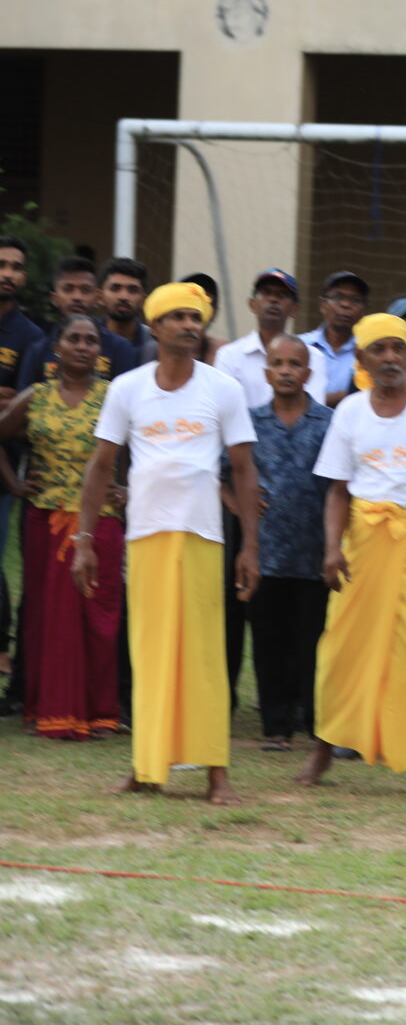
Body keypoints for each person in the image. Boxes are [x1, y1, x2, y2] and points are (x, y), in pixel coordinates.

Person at [73, 282, 260, 806]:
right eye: (176, 316)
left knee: (204, 655)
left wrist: (251, 546)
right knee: (150, 652)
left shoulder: (223, 388)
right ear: (154, 328)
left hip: (202, 535)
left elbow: (244, 469)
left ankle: (216, 773)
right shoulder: (126, 388)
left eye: (195, 317)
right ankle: (147, 767)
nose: (188, 325)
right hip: (146, 535)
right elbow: (100, 466)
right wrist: (85, 541)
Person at [293, 315, 406, 798]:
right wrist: (332, 548)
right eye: (380, 349)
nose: (391, 357)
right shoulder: (350, 411)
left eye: (399, 348)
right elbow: (337, 491)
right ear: (362, 359)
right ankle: (324, 749)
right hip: (363, 539)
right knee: (341, 645)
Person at [0, 317, 123, 740]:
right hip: (46, 519)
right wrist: (14, 483)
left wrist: (129, 488)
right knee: (46, 617)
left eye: (91, 340)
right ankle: (49, 709)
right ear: (57, 347)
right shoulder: (35, 397)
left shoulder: (115, 397)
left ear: (100, 351)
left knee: (99, 616)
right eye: (74, 339)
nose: (83, 346)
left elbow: (147, 445)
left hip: (101, 521)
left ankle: (100, 712)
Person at [241, 335, 334, 752]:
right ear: (266, 373)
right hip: (267, 553)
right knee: (269, 641)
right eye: (277, 363)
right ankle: (276, 727)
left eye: (294, 364)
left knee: (314, 642)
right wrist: (242, 505)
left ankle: (318, 724)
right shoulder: (250, 423)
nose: (285, 371)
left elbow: (342, 483)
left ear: (308, 373)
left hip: (316, 552)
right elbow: (226, 474)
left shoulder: (328, 423)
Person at [0, 235, 45, 686]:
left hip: (4, 470)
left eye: (15, 266)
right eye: (2, 264)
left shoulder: (31, 337)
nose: (8, 273)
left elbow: (25, 408)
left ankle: (3, 648)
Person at [18, 255, 140, 384]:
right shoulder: (38, 350)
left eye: (85, 290)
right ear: (54, 298)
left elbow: (127, 394)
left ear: (97, 298)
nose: (77, 297)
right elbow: (26, 395)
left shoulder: (120, 348)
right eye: (68, 289)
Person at [214, 270, 303, 408]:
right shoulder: (229, 356)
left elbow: (313, 412)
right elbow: (223, 407)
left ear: (294, 309)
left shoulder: (312, 357)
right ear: (252, 304)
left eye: (282, 295)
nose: (273, 300)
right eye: (266, 293)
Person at [300, 270, 369, 408]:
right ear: (322, 304)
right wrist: (345, 395)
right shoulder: (301, 346)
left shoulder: (367, 353)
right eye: (338, 297)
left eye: (355, 300)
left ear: (364, 310)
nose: (346, 304)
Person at [97, 258, 154, 365]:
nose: (123, 297)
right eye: (115, 288)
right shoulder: (86, 339)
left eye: (133, 290)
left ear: (143, 300)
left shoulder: (155, 345)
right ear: (100, 297)